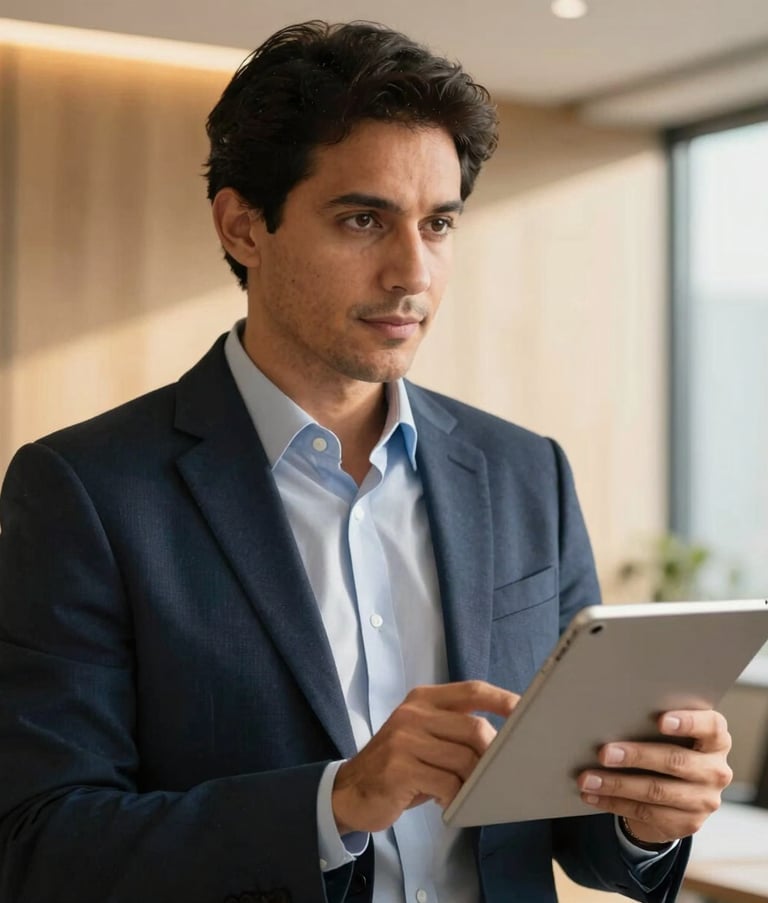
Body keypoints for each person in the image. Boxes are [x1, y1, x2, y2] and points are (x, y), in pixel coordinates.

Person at [0, 20, 732, 903]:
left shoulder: (525, 471)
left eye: (439, 223)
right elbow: (41, 847)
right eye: (363, 219)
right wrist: (336, 800)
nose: (411, 272)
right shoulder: (85, 490)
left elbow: (573, 826)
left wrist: (643, 815)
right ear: (243, 227)